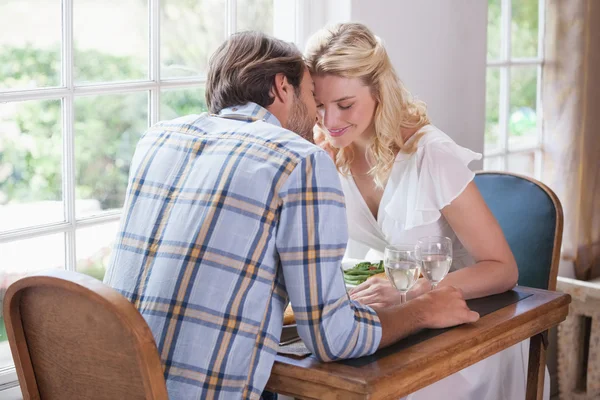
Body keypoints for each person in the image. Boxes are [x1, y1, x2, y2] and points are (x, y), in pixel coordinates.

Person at [103, 31, 479, 400]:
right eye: (314, 97)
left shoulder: (156, 138)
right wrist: (421, 311)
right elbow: (334, 338)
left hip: (113, 381)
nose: (321, 117)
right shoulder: (298, 159)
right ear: (284, 88)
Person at [305, 22, 548, 400]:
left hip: (464, 335)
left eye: (345, 105)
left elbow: (503, 269)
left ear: (378, 90)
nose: (330, 121)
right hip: (390, 327)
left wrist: (414, 294)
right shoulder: (327, 153)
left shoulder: (431, 154)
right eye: (319, 105)